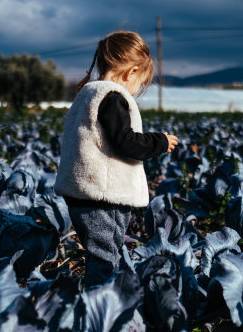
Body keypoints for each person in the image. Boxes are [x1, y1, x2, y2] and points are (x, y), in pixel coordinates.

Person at [54, 31, 179, 288]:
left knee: (102, 253)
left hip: (81, 193)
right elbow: (126, 142)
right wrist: (160, 142)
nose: (136, 90)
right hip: (102, 197)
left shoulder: (86, 94)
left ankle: (99, 301)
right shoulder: (112, 97)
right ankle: (97, 307)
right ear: (131, 72)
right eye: (140, 82)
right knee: (105, 258)